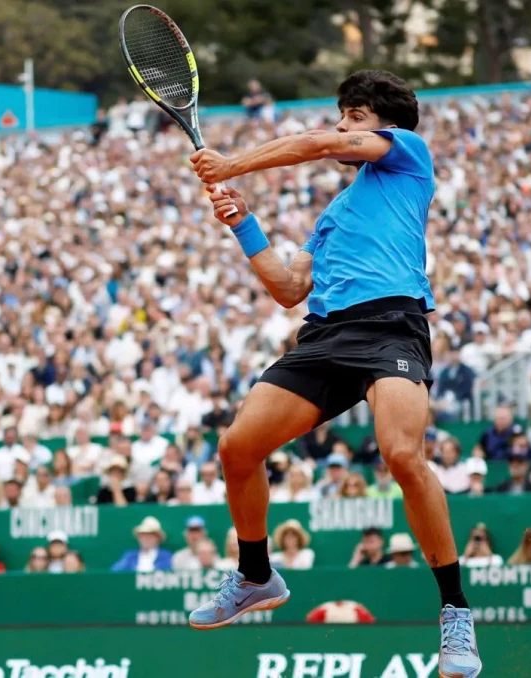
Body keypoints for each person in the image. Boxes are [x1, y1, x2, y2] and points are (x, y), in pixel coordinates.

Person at [188, 69, 479, 673]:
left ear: (384, 125)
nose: (344, 123)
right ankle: (255, 574)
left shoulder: (407, 157)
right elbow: (288, 289)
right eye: (342, 112)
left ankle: (455, 612)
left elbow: (322, 143)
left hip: (391, 327)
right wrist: (243, 221)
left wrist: (232, 164)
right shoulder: (334, 213)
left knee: (401, 455)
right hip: (324, 337)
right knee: (237, 447)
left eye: (355, 114)